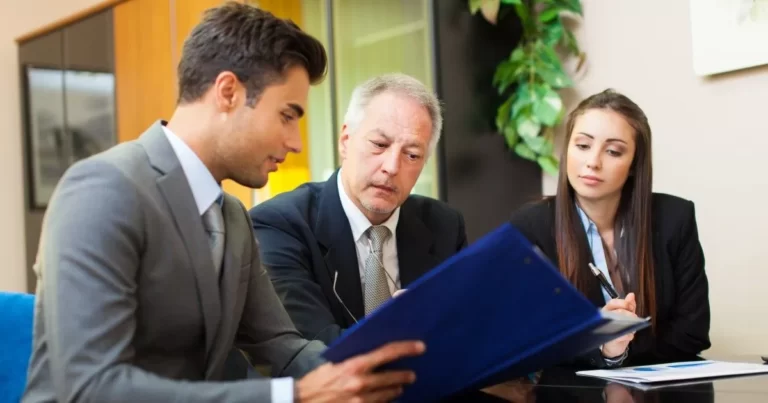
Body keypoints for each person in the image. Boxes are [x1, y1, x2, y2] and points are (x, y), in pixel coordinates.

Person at [22, 3, 425, 403]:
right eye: (287, 115)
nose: (295, 141)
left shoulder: (231, 216)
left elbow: (283, 344)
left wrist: (375, 371)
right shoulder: (102, 190)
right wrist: (290, 397)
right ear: (228, 92)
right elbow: (92, 387)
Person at [248, 73, 467, 345]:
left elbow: (462, 334)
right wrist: (397, 328)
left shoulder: (444, 225)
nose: (392, 167)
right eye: (379, 145)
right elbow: (315, 348)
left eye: (412, 155)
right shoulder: (279, 225)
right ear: (345, 140)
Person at [509, 89, 710, 368]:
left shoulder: (675, 218)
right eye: (582, 146)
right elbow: (528, 338)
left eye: (613, 151)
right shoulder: (530, 227)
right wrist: (603, 345)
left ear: (633, 165)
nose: (593, 162)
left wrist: (621, 348)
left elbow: (693, 333)